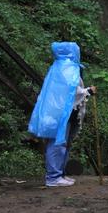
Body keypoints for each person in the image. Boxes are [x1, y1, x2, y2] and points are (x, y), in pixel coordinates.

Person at [28, 42, 96, 187]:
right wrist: (87, 91)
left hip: (69, 112)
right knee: (57, 143)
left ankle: (60, 174)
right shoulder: (65, 68)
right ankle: (53, 177)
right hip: (61, 113)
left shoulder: (63, 67)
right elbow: (69, 90)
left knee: (65, 143)